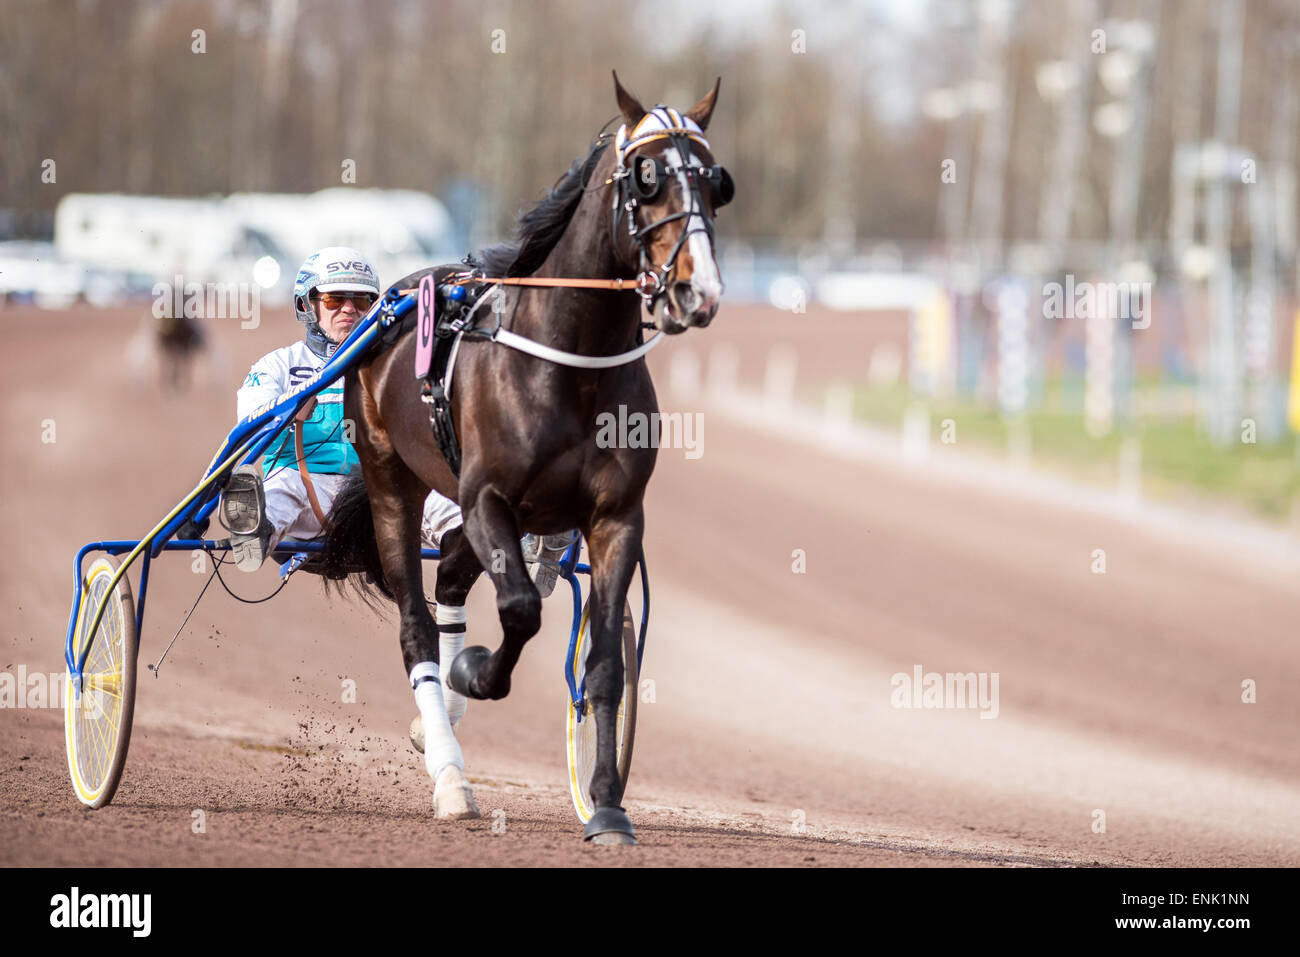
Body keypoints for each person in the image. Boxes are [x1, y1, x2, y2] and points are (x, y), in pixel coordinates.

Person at [220, 246, 572, 595]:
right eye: (334, 300)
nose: (349, 309)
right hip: (312, 492)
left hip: (387, 491)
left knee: (444, 495)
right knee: (283, 486)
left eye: (361, 301)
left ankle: (520, 555)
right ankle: (256, 529)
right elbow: (249, 423)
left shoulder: (389, 368)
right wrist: (285, 409)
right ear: (305, 305)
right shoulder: (277, 366)